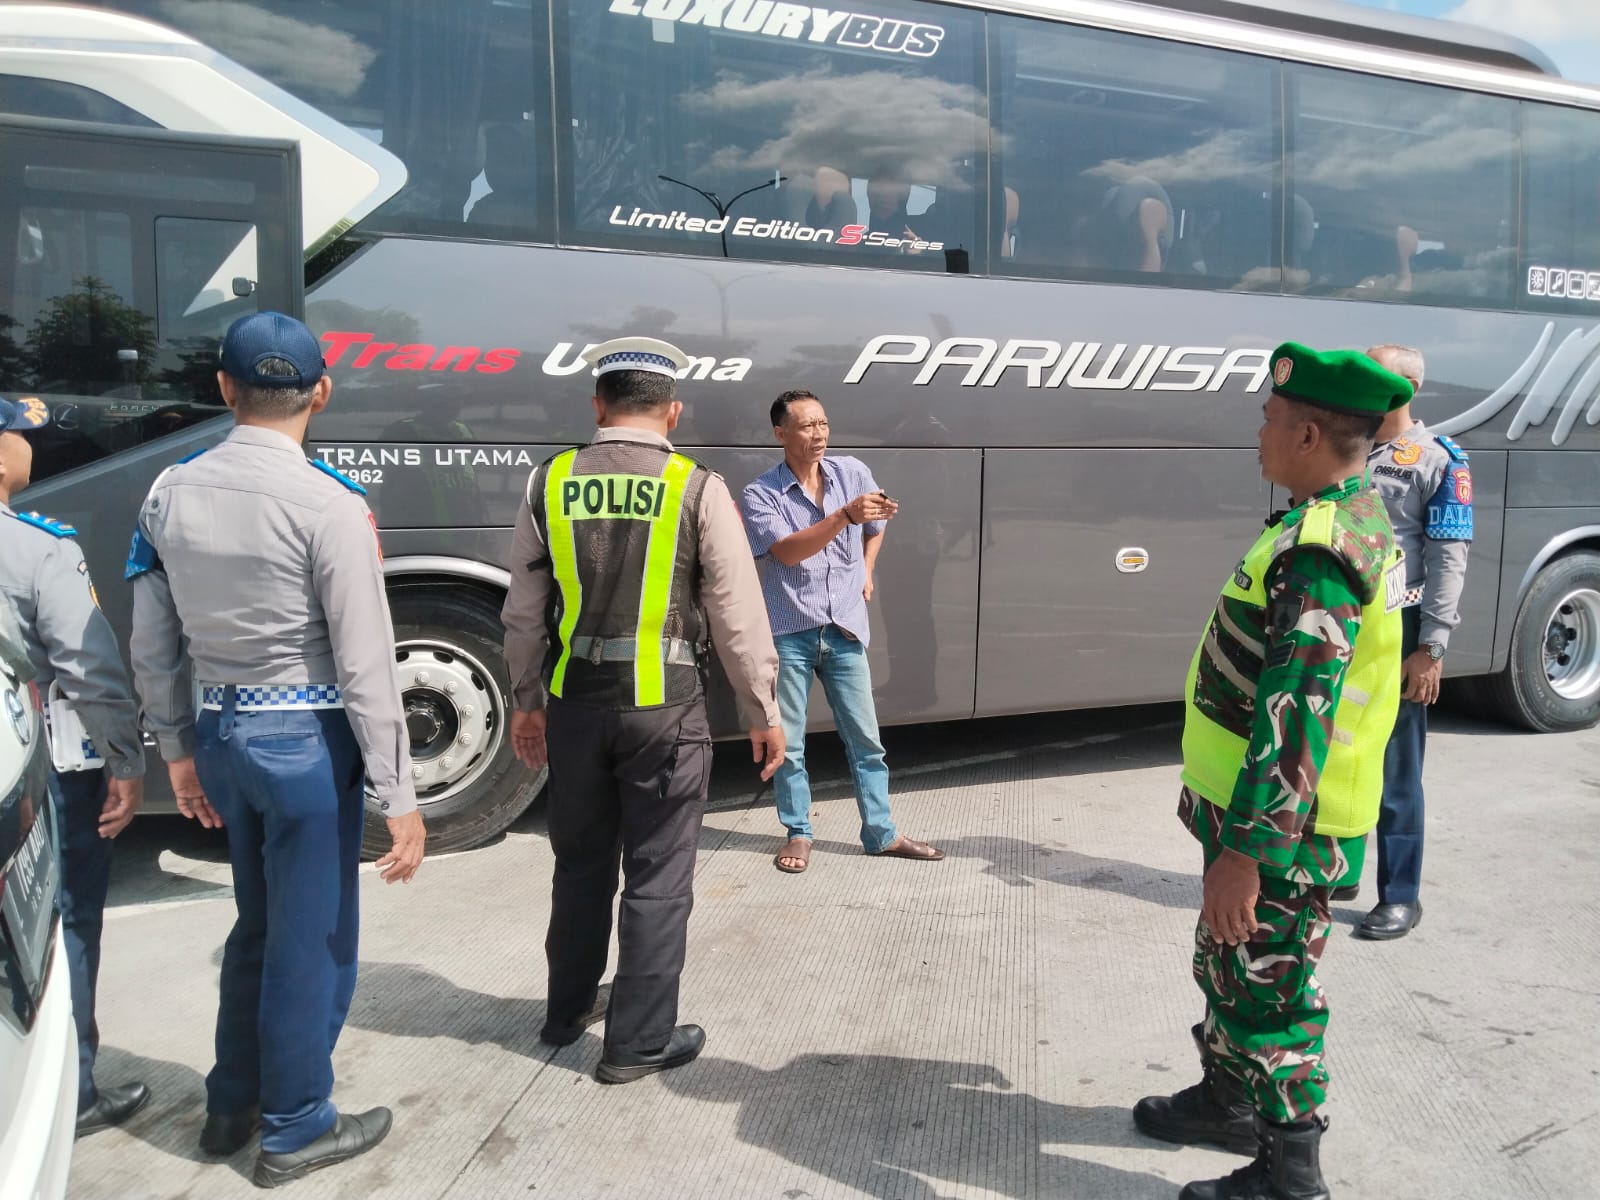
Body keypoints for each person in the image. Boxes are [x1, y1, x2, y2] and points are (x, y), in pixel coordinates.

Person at [128, 312, 426, 1187]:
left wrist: (176, 750)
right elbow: (366, 664)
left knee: (258, 924)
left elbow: (153, 644)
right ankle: (296, 1126)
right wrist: (400, 795)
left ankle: (232, 1104)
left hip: (221, 733)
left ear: (224, 388)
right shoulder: (331, 503)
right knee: (314, 939)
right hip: (306, 745)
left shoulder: (167, 492)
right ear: (320, 392)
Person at [1133, 343, 1411, 1200]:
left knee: (1273, 992)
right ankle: (1227, 1103)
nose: (1259, 432)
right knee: (1230, 962)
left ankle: (1291, 1172)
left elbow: (1297, 720)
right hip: (1258, 811)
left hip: (1284, 828)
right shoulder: (1338, 514)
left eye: (1269, 419)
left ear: (1309, 434)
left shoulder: (1322, 550)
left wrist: (1247, 854)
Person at [502, 336, 784, 1084]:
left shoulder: (549, 481)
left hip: (573, 703)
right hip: (665, 709)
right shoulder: (697, 486)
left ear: (599, 405)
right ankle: (637, 1043)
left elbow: (523, 612)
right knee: (658, 874)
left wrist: (526, 701)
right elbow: (735, 611)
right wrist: (762, 708)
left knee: (579, 864)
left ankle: (566, 1012)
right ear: (673, 412)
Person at [0, 394, 149, 1137]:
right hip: (31, 774)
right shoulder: (37, 548)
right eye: (21, 435)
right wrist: (125, 757)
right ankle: (74, 1091)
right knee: (61, 923)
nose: (31, 447)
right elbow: (88, 668)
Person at [741, 390, 944, 875]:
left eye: (823, 424)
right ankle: (798, 832)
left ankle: (881, 833)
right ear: (780, 433)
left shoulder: (852, 472)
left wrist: (867, 569)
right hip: (789, 631)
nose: (819, 434)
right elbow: (788, 551)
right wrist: (843, 517)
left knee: (866, 741)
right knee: (789, 745)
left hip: (845, 628)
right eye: (807, 425)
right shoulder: (760, 493)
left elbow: (878, 523)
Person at [1337, 343, 1471, 940]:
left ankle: (1400, 896)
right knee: (1334, 748)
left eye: (1375, 373)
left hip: (1402, 627)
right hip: (1340, 619)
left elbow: (1448, 561)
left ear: (1407, 388)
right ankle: (1337, 872)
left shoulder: (1440, 461)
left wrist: (1431, 647)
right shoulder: (1348, 446)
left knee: (1396, 766)